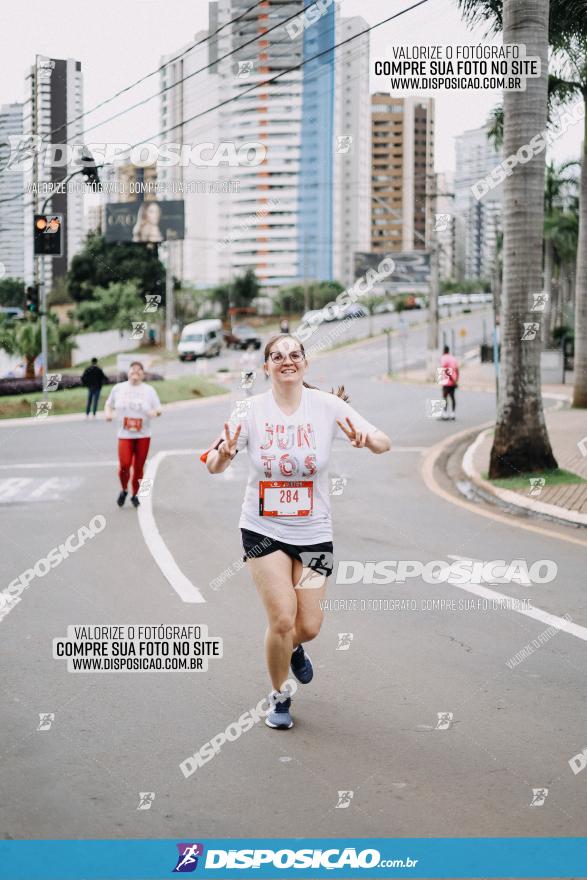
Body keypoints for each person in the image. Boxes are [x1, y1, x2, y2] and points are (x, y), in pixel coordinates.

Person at [201, 334, 391, 729]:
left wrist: (367, 440)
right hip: (262, 528)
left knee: (308, 626)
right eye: (277, 356)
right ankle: (279, 696)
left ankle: (294, 650)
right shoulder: (249, 410)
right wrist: (224, 453)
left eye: (294, 354)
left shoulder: (326, 406)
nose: (286, 360)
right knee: (283, 620)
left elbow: (383, 441)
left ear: (305, 364)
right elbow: (214, 464)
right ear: (266, 367)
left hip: (315, 531)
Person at [104, 361, 162, 508]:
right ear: (128, 372)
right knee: (124, 465)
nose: (135, 372)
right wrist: (108, 414)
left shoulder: (149, 390)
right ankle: (124, 490)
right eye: (133, 370)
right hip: (125, 435)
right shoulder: (119, 388)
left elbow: (158, 409)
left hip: (143, 435)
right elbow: (108, 404)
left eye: (139, 370)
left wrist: (153, 413)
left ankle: (136, 494)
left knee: (139, 466)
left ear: (143, 374)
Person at [439, 345, 459, 420]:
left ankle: (445, 414)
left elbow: (445, 370)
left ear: (444, 351)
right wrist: (456, 379)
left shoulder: (443, 358)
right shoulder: (453, 358)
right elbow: (457, 369)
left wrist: (451, 379)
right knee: (452, 397)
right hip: (453, 381)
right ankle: (453, 414)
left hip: (447, 381)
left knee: (444, 397)